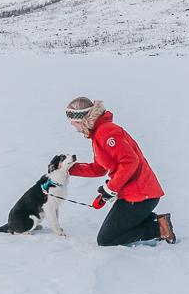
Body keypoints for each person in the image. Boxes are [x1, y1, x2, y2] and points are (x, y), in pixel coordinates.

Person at [66, 96, 176, 246]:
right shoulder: (98, 134)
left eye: (72, 120)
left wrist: (110, 188)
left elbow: (130, 161)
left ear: (81, 119)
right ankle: (153, 221)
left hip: (141, 196)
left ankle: (158, 228)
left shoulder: (106, 132)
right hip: (132, 195)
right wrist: (68, 169)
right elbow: (99, 168)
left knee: (106, 239)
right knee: (109, 235)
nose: (71, 124)